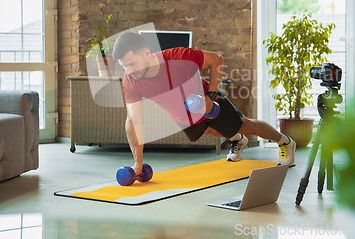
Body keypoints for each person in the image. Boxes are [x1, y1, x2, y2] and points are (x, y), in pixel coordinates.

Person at [111, 32, 296, 177]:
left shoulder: (179, 57)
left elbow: (217, 59)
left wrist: (211, 96)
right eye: (125, 66)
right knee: (207, 131)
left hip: (208, 104)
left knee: (246, 125)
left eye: (132, 64)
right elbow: (133, 121)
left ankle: (285, 142)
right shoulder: (130, 81)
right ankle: (238, 140)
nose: (130, 71)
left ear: (146, 52)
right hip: (183, 117)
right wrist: (138, 163)